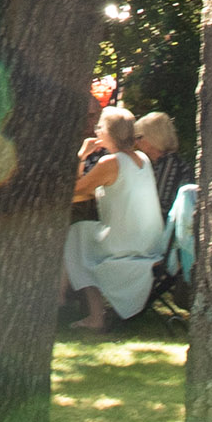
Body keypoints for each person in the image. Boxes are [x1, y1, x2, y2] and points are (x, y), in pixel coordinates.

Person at [63, 107, 162, 330]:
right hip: (150, 240)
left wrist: (81, 155)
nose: (96, 131)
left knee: (75, 236)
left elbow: (74, 189)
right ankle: (92, 312)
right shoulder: (142, 158)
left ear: (109, 132)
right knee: (83, 234)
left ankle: (94, 315)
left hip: (125, 242)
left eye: (100, 127)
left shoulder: (110, 163)